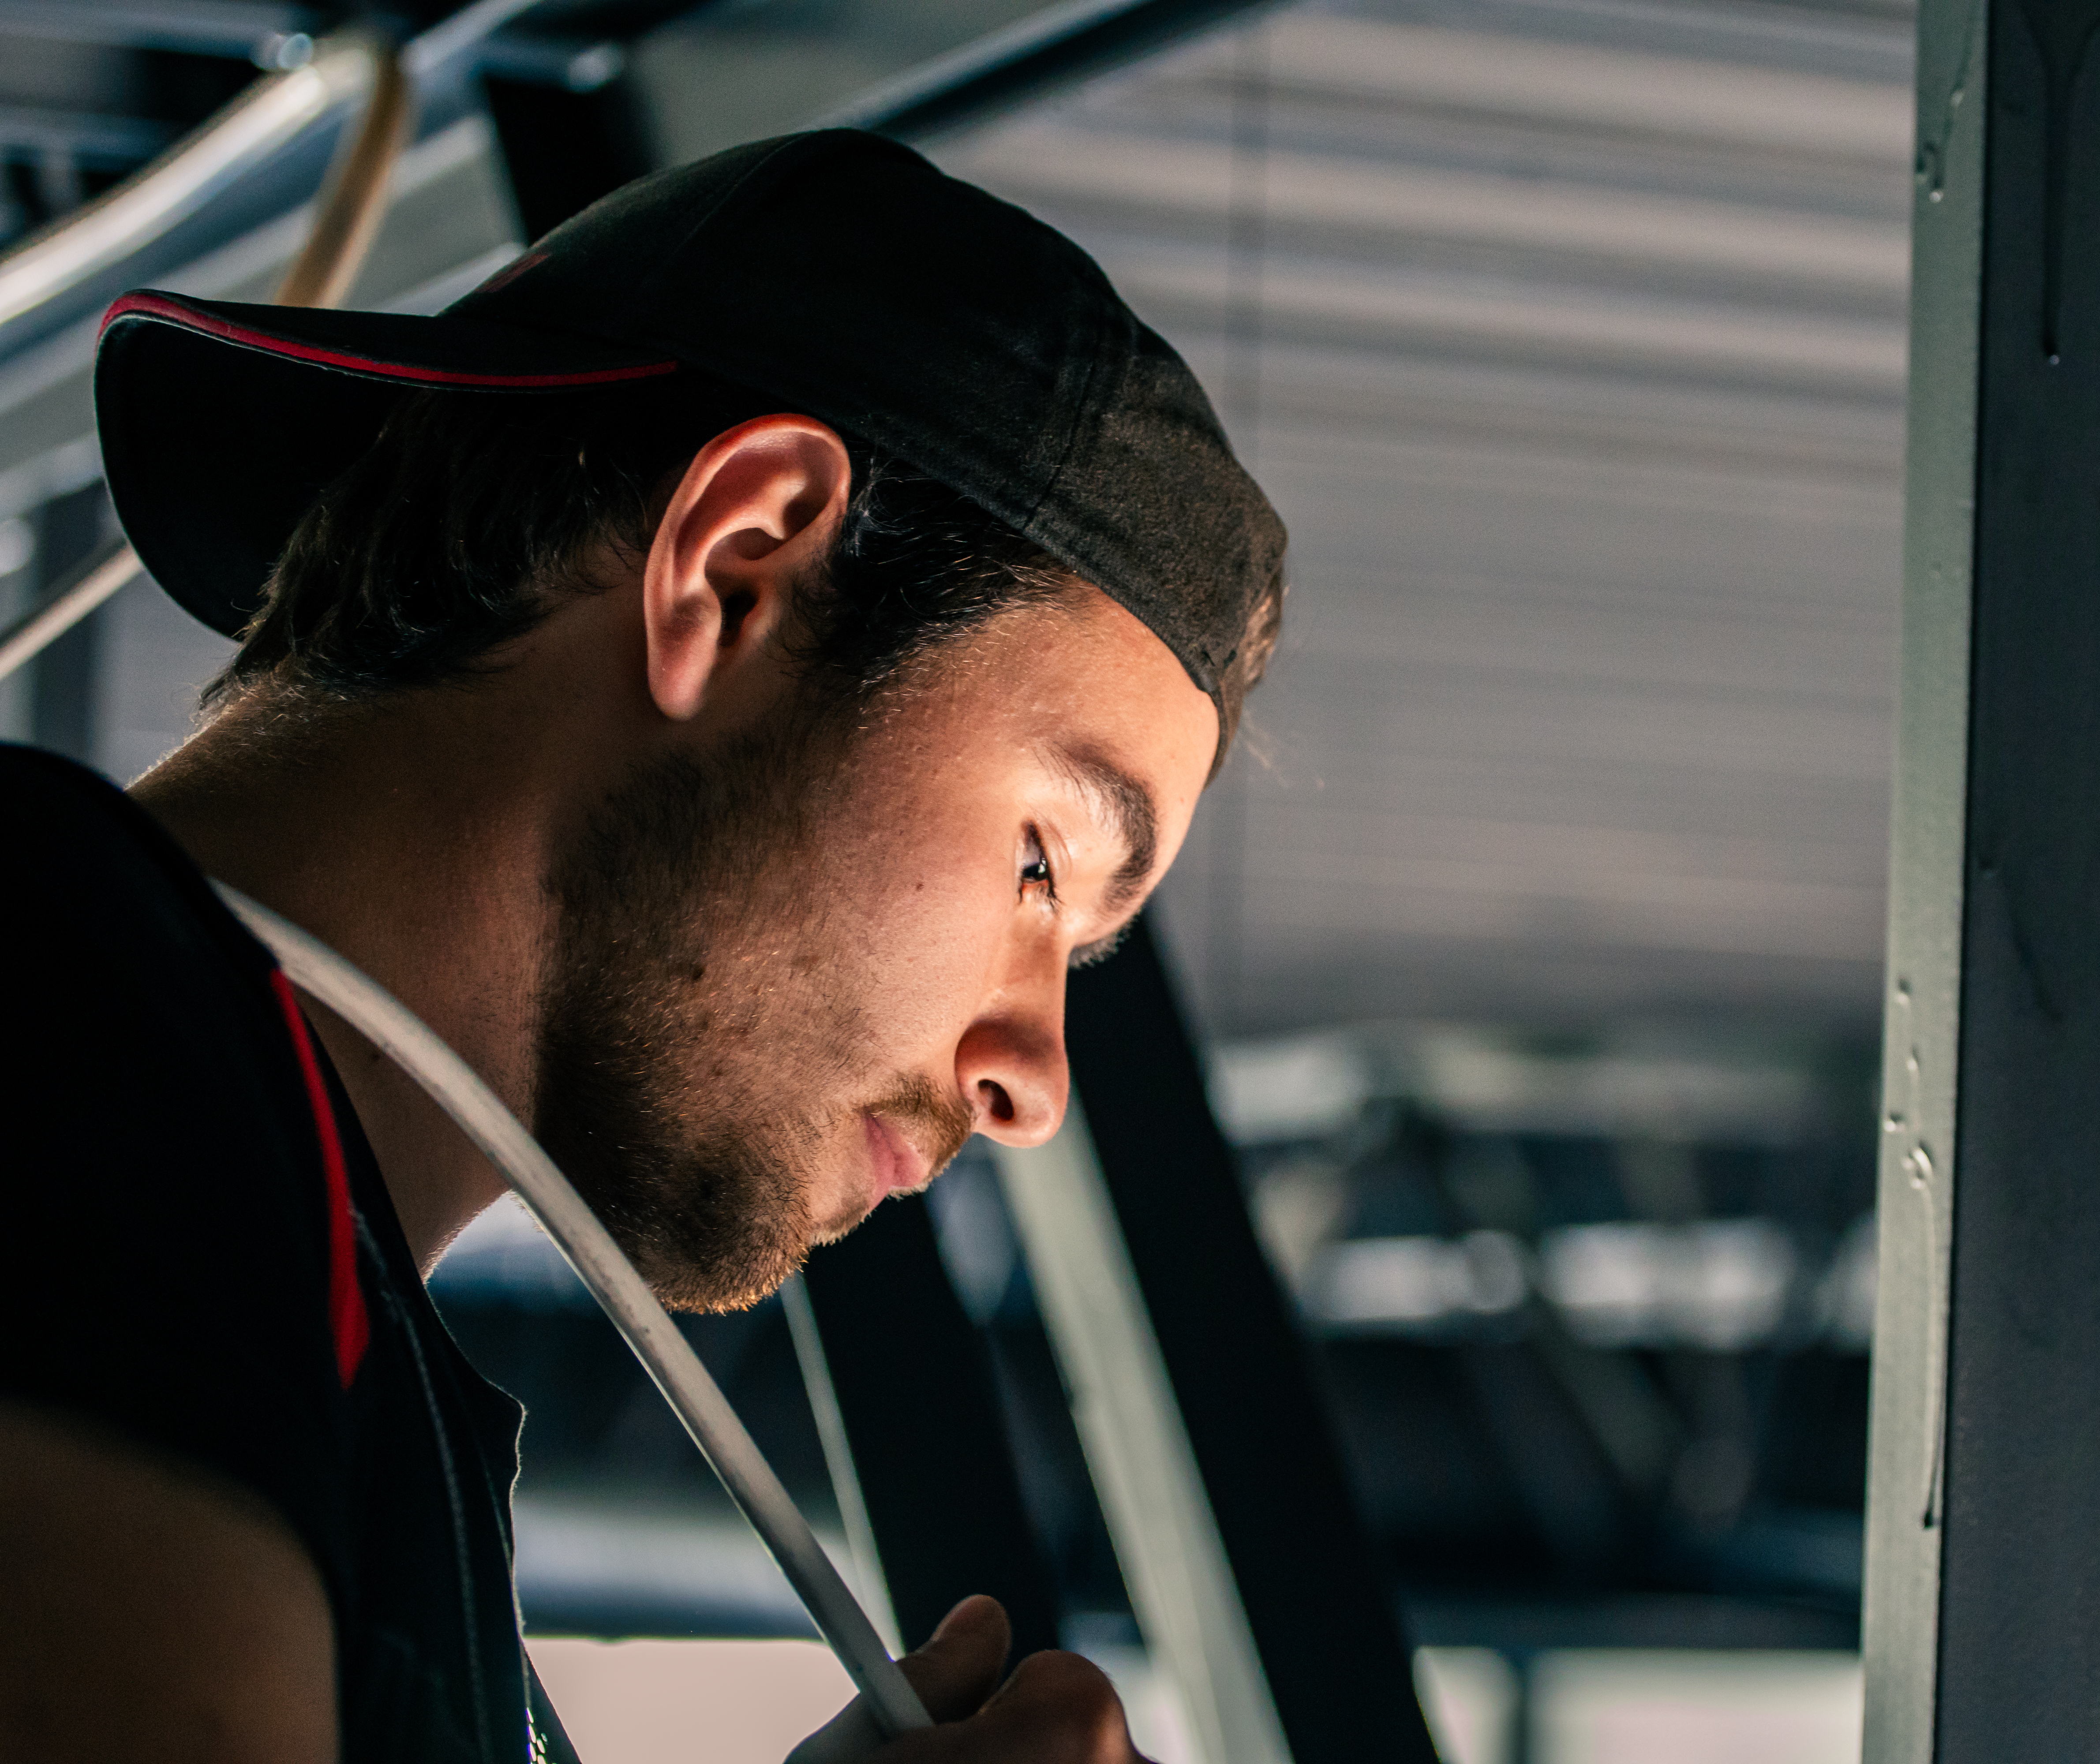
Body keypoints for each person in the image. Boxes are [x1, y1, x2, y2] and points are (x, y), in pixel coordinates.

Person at [0, 130, 1284, 1763]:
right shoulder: (59, 1017)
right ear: (737, 573)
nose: (1032, 1083)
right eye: (1044, 861)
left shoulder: (302, 1300)